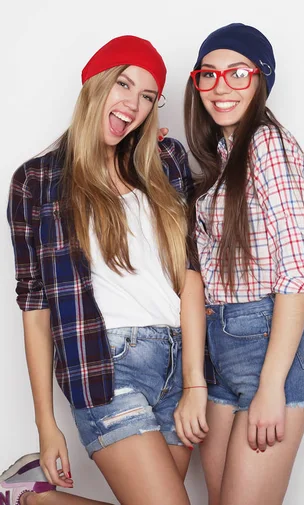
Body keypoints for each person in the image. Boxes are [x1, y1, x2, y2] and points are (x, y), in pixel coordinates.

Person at [2, 35, 210, 505]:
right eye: (123, 84)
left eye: (147, 96)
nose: (132, 104)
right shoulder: (36, 181)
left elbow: (191, 276)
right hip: (105, 366)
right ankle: (35, 497)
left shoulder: (166, 163)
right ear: (95, 84)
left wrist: (196, 381)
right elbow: (35, 308)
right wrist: (46, 424)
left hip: (178, 367)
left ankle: (31, 499)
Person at [175, 22, 304, 505]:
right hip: (220, 354)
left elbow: (298, 272)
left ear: (261, 80)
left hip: (268, 352)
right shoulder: (223, 161)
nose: (221, 87)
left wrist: (271, 389)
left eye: (237, 74)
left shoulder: (267, 145)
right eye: (209, 75)